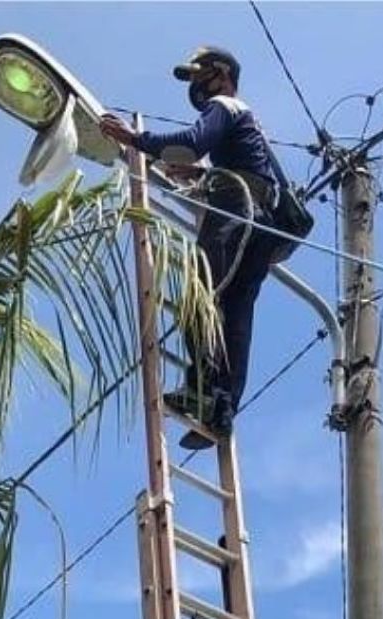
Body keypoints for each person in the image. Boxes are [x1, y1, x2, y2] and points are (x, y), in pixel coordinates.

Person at [100, 46, 280, 450]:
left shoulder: (225, 105)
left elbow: (194, 140)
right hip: (261, 224)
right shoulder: (247, 124)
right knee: (233, 310)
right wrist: (201, 174)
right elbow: (235, 162)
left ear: (221, 74)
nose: (197, 87)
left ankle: (204, 389)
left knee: (200, 296)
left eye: (201, 76)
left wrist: (136, 139)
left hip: (238, 210)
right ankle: (221, 406)